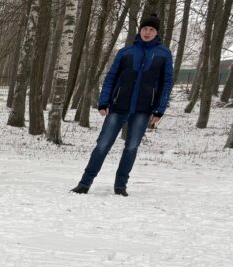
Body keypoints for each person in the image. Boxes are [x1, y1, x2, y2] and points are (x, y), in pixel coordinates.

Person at [71, 13, 173, 197]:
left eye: (151, 29)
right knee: (102, 145)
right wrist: (103, 102)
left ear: (156, 33)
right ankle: (84, 183)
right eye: (144, 29)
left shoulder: (164, 54)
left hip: (143, 110)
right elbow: (111, 77)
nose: (147, 32)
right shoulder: (126, 52)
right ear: (140, 30)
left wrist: (160, 109)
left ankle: (120, 186)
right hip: (118, 107)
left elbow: (166, 83)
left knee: (131, 147)